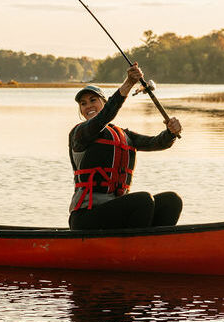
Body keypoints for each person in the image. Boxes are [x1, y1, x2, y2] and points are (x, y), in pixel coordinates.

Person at [68, 63, 183, 230]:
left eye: (93, 100)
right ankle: (134, 247)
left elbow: (156, 143)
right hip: (85, 218)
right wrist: (129, 83)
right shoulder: (80, 134)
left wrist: (171, 133)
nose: (88, 106)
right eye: (83, 104)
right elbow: (105, 116)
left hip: (115, 215)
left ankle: (152, 247)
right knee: (143, 200)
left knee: (171, 201)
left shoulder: (124, 135)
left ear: (104, 102)